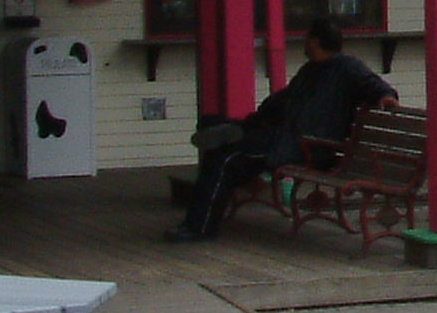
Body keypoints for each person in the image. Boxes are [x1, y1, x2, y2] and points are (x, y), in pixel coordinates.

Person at [167, 15, 395, 241]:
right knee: (217, 129)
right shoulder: (310, 70)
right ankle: (227, 129)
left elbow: (372, 83)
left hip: (301, 146)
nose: (305, 42)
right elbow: (286, 99)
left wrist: (385, 95)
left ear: (314, 41)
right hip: (282, 134)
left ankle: (199, 227)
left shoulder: (347, 68)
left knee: (224, 159)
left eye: (307, 38)